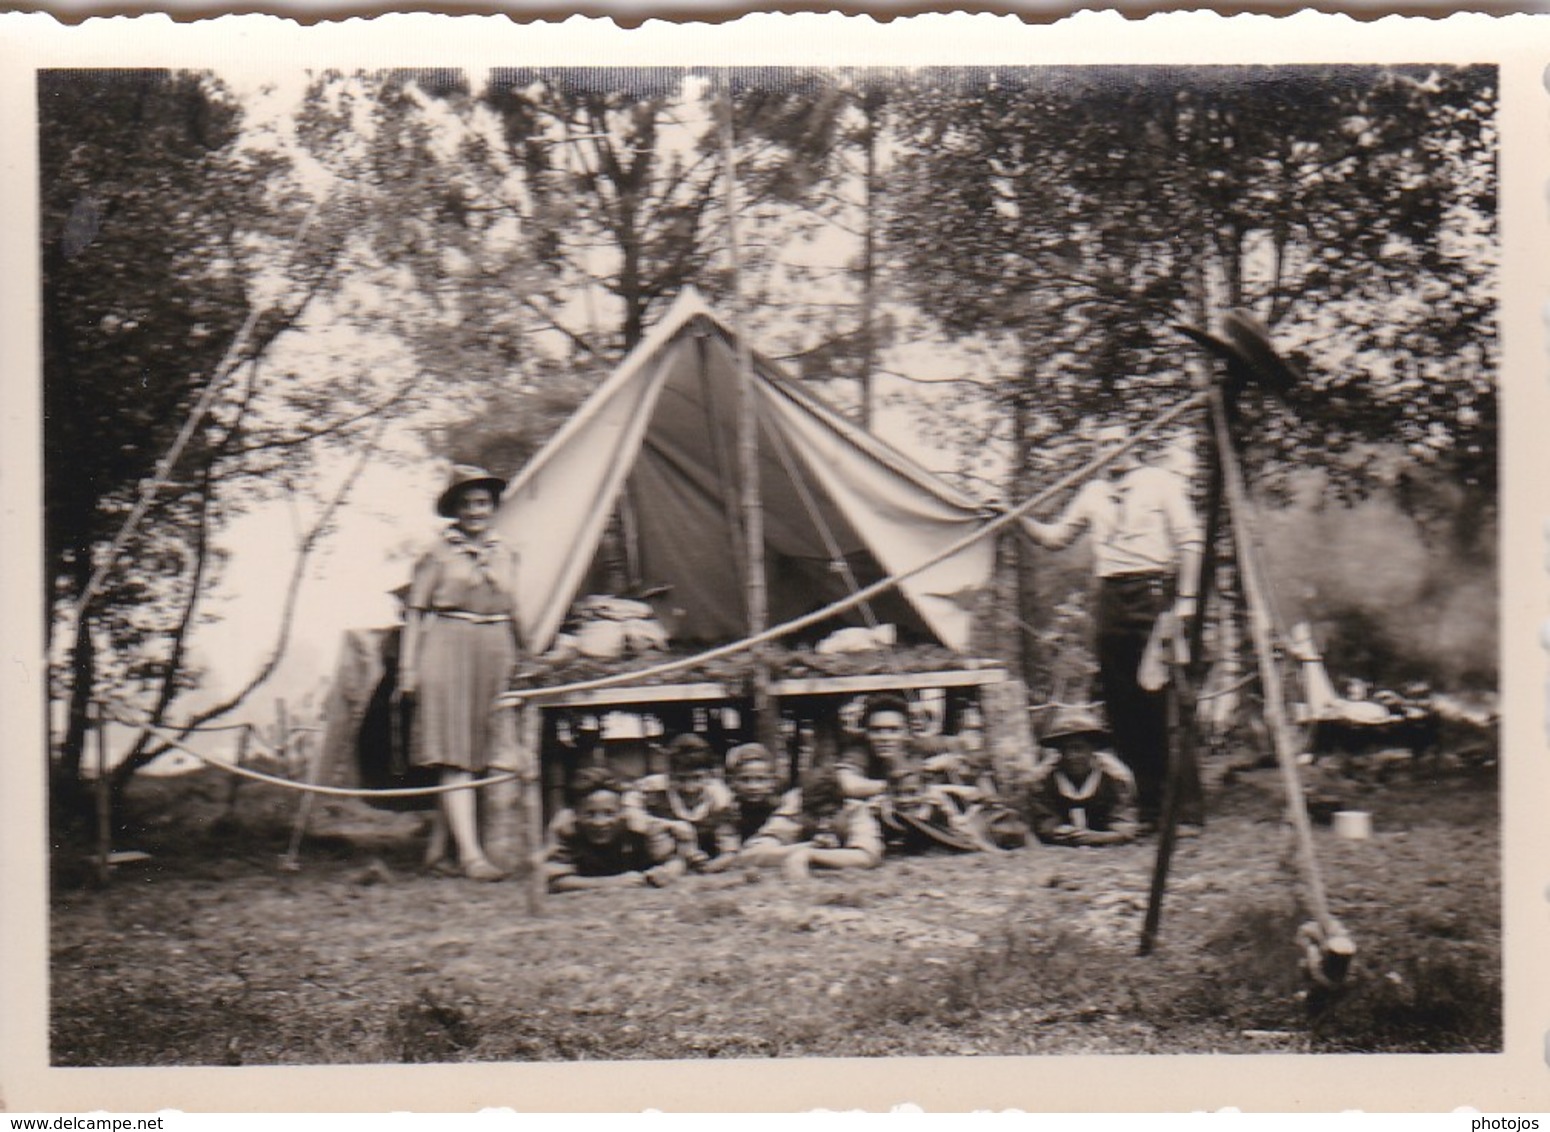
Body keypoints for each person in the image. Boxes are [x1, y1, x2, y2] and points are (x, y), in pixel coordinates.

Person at [1022, 424, 1205, 832]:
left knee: (1163, 701)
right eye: (1101, 445)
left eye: (1116, 443)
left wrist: (1187, 600)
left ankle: (1183, 811)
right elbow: (1055, 538)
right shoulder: (1092, 492)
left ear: (1134, 446)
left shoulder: (1160, 482)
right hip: (1110, 596)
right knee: (1122, 706)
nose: (1109, 451)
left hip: (1153, 591)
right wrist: (1016, 518)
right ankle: (1140, 807)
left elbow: (1190, 540)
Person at [399, 464, 524, 881]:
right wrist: (408, 668)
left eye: (482, 502)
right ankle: (471, 856)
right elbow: (416, 612)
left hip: (496, 645)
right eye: (467, 503)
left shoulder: (507, 551)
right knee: (454, 751)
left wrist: (528, 653)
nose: (476, 511)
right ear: (455, 510)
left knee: (490, 747)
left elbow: (514, 606)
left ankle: (439, 849)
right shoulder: (437, 554)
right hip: (449, 644)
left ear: (493, 507)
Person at [837, 693, 1006, 853]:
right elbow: (849, 785)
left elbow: (969, 756)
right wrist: (915, 775)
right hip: (887, 820)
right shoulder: (860, 751)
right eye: (876, 730)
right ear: (866, 733)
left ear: (908, 732)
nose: (884, 737)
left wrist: (955, 760)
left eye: (893, 730)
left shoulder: (923, 745)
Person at [544, 767, 688, 893]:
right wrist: (611, 883)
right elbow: (554, 880)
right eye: (590, 814)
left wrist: (666, 872)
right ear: (575, 813)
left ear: (622, 811)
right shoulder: (564, 827)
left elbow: (675, 861)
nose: (600, 823)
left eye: (609, 813)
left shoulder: (640, 825)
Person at [740, 765, 883, 881]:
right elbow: (749, 855)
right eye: (816, 816)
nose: (823, 824)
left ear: (842, 806)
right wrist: (807, 846)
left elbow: (868, 857)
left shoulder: (856, 810)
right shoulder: (795, 810)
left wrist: (811, 854)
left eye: (830, 815)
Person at [1028, 707, 1139, 847]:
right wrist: (1058, 831)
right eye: (1064, 750)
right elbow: (1044, 819)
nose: (1070, 756)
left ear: (1093, 748)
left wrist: (1099, 837)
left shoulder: (1117, 778)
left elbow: (1125, 826)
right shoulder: (1042, 779)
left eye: (1078, 748)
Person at [633, 734, 739, 872]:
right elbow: (633, 818)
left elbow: (729, 848)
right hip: (665, 856)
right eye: (681, 779)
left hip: (706, 859)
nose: (689, 788)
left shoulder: (720, 798)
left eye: (697, 778)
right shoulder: (655, 792)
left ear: (710, 775)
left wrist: (713, 866)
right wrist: (670, 826)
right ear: (669, 775)